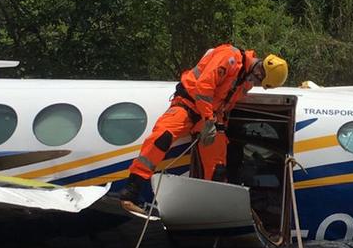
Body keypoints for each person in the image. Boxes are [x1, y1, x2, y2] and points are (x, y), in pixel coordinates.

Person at [118, 46, 288, 214]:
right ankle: (132, 190)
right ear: (259, 71)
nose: (257, 84)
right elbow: (203, 87)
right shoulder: (229, 57)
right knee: (161, 138)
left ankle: (209, 209)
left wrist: (217, 125)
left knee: (218, 167)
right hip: (188, 106)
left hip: (211, 117)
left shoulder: (246, 81)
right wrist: (208, 120)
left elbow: (226, 104)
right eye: (259, 81)